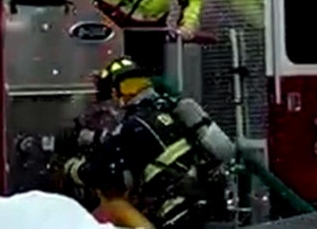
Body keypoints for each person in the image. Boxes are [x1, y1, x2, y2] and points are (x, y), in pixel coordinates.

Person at [65, 57, 218, 229]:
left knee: (113, 202)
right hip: (206, 203)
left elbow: (99, 174)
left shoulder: (132, 126)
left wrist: (72, 167)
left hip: (177, 215)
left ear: (119, 92)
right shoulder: (169, 111)